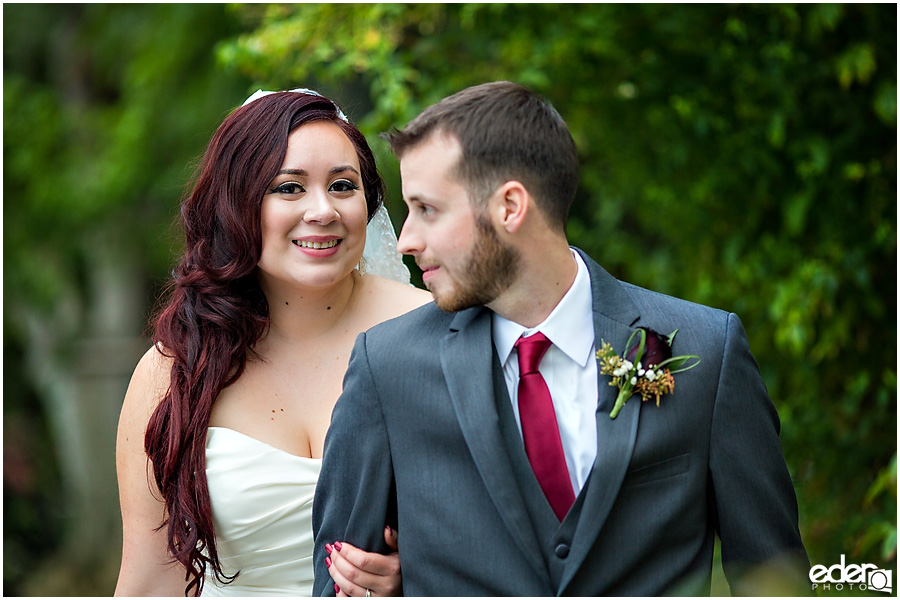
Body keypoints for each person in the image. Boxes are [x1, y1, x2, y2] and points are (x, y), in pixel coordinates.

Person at [313, 81, 811, 596]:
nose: (409, 238)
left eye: (428, 210)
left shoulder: (705, 350)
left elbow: (773, 580)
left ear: (510, 207)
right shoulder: (388, 367)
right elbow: (338, 584)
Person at [115, 89, 430, 596]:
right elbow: (150, 581)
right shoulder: (176, 369)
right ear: (237, 203)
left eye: (343, 186)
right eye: (289, 188)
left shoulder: (432, 332)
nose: (323, 210)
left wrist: (419, 577)